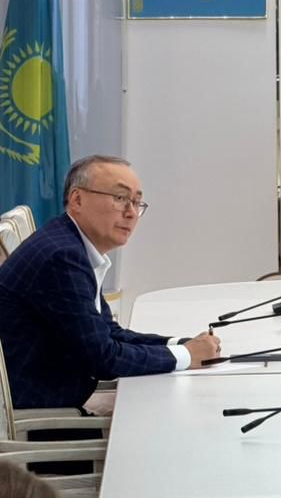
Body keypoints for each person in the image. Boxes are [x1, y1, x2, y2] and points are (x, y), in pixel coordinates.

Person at [0, 155, 221, 411]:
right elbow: (103, 359)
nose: (131, 213)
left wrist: (180, 345)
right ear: (77, 200)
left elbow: (108, 332)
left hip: (60, 387)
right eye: (120, 198)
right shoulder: (62, 257)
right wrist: (188, 355)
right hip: (41, 408)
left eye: (136, 202)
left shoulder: (69, 242)